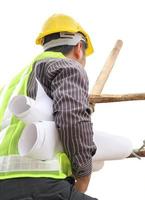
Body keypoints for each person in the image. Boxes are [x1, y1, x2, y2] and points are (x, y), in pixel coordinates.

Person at [0, 14, 98, 199]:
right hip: (41, 184)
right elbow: (72, 117)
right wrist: (83, 174)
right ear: (79, 48)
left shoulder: (10, 85)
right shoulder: (66, 66)